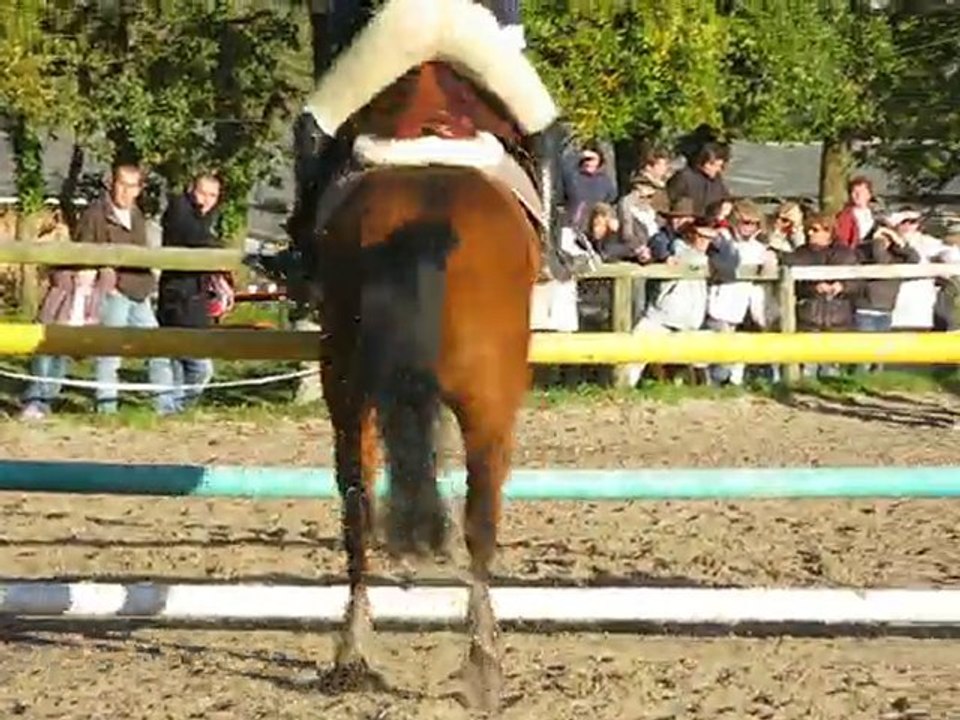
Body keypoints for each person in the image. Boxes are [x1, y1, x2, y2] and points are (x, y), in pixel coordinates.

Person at [290, 0, 562, 278]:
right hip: (469, 24)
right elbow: (510, 26)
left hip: (406, 20)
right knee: (545, 125)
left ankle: (304, 251)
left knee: (315, 122)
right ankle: (551, 249)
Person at [81, 162, 177, 416]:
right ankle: (106, 408)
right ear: (112, 184)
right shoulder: (95, 214)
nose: (125, 191)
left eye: (131, 186)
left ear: (139, 189)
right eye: (121, 184)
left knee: (157, 348)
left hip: (139, 291)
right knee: (109, 353)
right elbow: (83, 250)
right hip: (114, 292)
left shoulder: (136, 215)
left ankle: (165, 405)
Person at [157, 172, 226, 412]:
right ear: (191, 190)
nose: (206, 200)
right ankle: (179, 407)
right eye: (202, 193)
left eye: (212, 195)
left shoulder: (204, 217)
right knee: (200, 366)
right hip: (180, 298)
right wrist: (223, 253)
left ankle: (173, 410)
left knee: (179, 362)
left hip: (194, 298)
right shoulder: (180, 210)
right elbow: (195, 238)